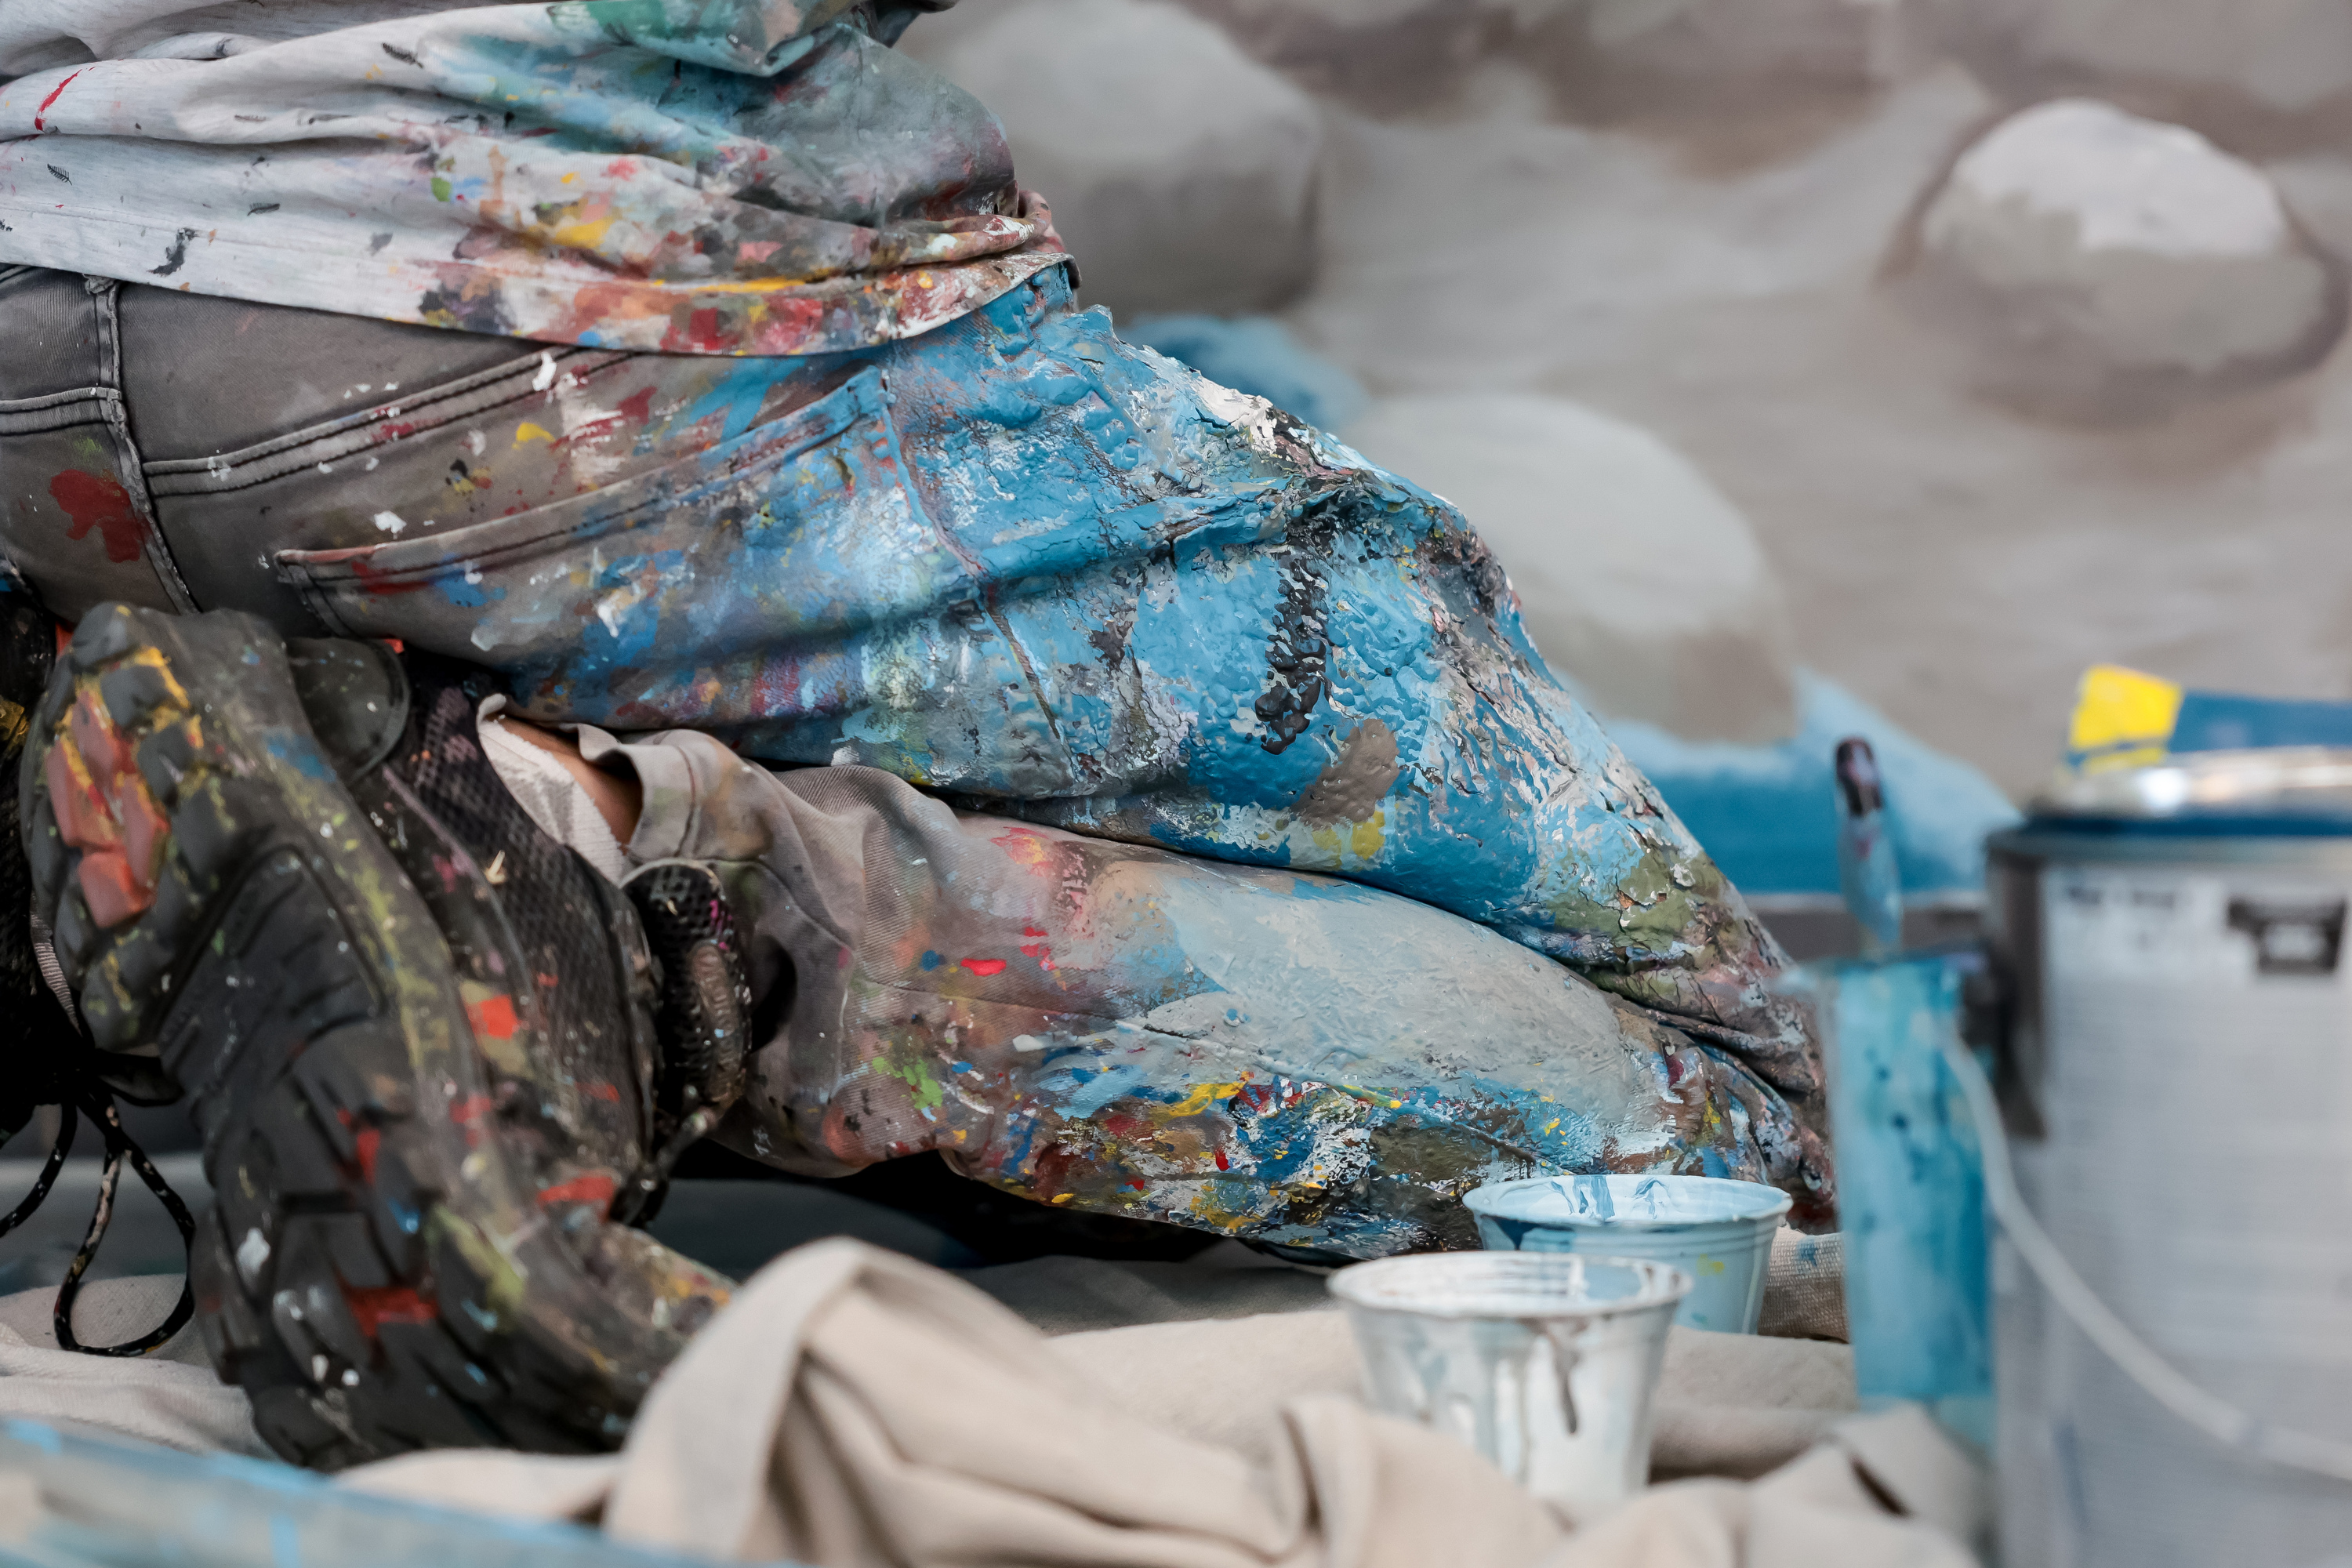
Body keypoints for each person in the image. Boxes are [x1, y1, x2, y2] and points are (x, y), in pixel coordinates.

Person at [0, 0, 1831, 1467]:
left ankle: (94, 835)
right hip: (538, 310)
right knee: (1740, 1148)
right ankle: (627, 911)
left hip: (30, 369)